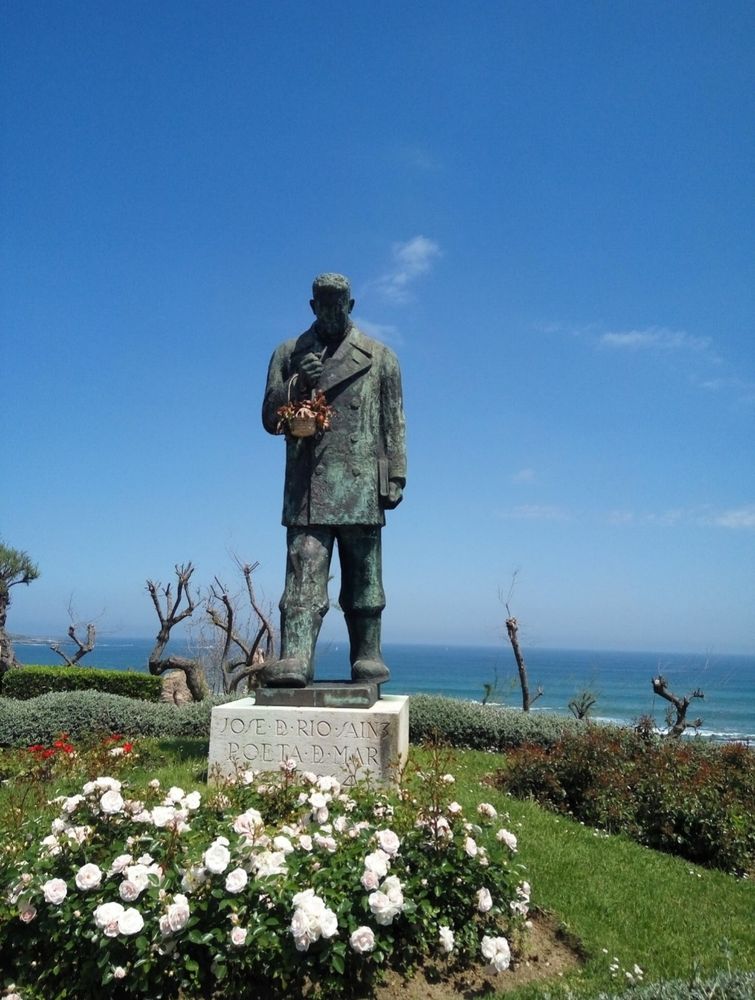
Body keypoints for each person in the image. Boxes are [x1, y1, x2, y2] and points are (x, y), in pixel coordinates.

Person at [261, 272, 406, 687]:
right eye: (322, 304)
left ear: (351, 306)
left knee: (364, 577)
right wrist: (297, 383)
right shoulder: (288, 353)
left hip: (360, 483)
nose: (330, 311)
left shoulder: (381, 356)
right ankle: (296, 658)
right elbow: (270, 420)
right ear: (312, 307)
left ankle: (367, 656)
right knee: (302, 573)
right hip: (308, 484)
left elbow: (394, 421)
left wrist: (395, 474)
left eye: (338, 304)